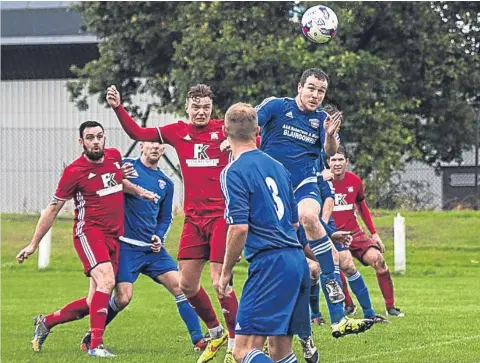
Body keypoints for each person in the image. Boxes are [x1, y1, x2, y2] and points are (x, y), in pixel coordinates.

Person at [107, 84, 238, 363]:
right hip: (193, 220)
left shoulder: (225, 129)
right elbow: (137, 134)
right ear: (187, 107)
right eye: (196, 107)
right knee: (187, 285)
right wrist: (119, 107)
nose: (201, 112)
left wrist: (236, 143)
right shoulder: (177, 131)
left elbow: (255, 139)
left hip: (220, 218)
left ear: (211, 108)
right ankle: (215, 333)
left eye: (206, 107)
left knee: (219, 282)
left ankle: (238, 343)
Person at [255, 69, 375, 338]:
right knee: (286, 266)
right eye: (311, 88)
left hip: (304, 183)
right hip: (273, 189)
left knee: (311, 219)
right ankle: (266, 328)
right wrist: (235, 143)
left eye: (321, 91)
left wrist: (331, 134)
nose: (315, 95)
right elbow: (250, 122)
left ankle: (338, 319)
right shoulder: (277, 106)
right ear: (299, 87)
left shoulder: (323, 120)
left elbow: (330, 152)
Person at [79, 141, 208, 352]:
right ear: (141, 147)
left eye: (160, 145)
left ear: (164, 150)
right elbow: (102, 179)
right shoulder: (127, 167)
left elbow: (166, 218)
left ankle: (198, 340)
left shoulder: (166, 183)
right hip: (126, 247)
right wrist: (117, 174)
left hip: (152, 250)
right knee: (122, 298)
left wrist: (158, 236)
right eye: (151, 144)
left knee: (181, 286)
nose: (155, 148)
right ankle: (93, 335)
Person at [16, 121, 126, 357]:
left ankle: (46, 322)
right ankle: (96, 346)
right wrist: (33, 244)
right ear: (81, 142)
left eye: (99, 136)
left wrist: (141, 193)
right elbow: (53, 208)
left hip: (114, 236)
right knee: (106, 281)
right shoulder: (74, 171)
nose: (95, 141)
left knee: (92, 302)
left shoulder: (115, 157)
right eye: (90, 137)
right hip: (89, 233)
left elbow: (119, 183)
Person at [216, 102, 311, 363]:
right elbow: (293, 223)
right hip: (295, 261)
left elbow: (238, 227)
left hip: (270, 264)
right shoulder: (279, 167)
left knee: (243, 351)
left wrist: (225, 273)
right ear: (258, 130)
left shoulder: (232, 171)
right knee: (281, 352)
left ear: (225, 130)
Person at [329, 146, 404, 317]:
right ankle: (349, 305)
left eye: (341, 159)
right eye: (333, 160)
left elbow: (361, 206)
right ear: (328, 162)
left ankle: (390, 306)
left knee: (378, 260)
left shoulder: (355, 181)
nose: (337, 163)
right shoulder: (322, 182)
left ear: (346, 162)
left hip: (355, 233)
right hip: (334, 236)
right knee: (341, 267)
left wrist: (374, 233)